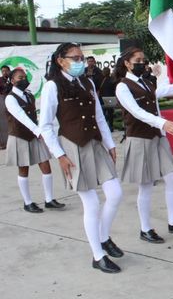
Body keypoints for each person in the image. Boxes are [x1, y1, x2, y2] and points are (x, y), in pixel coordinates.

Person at [39, 42, 124, 274]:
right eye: (74, 58)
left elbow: (98, 115)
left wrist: (109, 143)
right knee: (92, 203)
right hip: (72, 146)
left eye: (81, 57)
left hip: (95, 143)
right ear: (61, 60)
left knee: (115, 193)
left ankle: (104, 237)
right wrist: (60, 155)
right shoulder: (52, 87)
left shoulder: (87, 82)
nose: (80, 62)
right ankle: (98, 255)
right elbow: (45, 126)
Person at [115, 47, 173, 243]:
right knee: (146, 186)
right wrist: (163, 123)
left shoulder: (145, 82)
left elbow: (159, 93)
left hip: (157, 136)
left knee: (172, 178)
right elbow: (136, 112)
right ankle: (145, 229)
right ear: (127, 63)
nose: (142, 63)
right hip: (140, 138)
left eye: (143, 59)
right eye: (138, 60)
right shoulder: (123, 86)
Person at [4, 67, 65, 213]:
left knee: (46, 166)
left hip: (34, 135)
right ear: (12, 80)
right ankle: (28, 202)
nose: (24, 80)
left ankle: (49, 200)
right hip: (20, 136)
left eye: (25, 77)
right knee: (24, 169)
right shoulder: (10, 98)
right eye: (20, 78)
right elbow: (21, 116)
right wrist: (39, 131)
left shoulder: (29, 95)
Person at [98, 67, 116, 131]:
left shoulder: (101, 80)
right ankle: (111, 126)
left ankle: (105, 127)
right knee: (110, 113)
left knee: (103, 113)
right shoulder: (112, 79)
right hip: (111, 98)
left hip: (103, 98)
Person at [0, 64, 10, 149]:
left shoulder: (13, 79)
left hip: (14, 101)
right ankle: (4, 143)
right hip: (3, 103)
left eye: (6, 71)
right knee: (4, 124)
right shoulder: (0, 80)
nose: (4, 72)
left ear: (9, 71)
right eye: (2, 71)